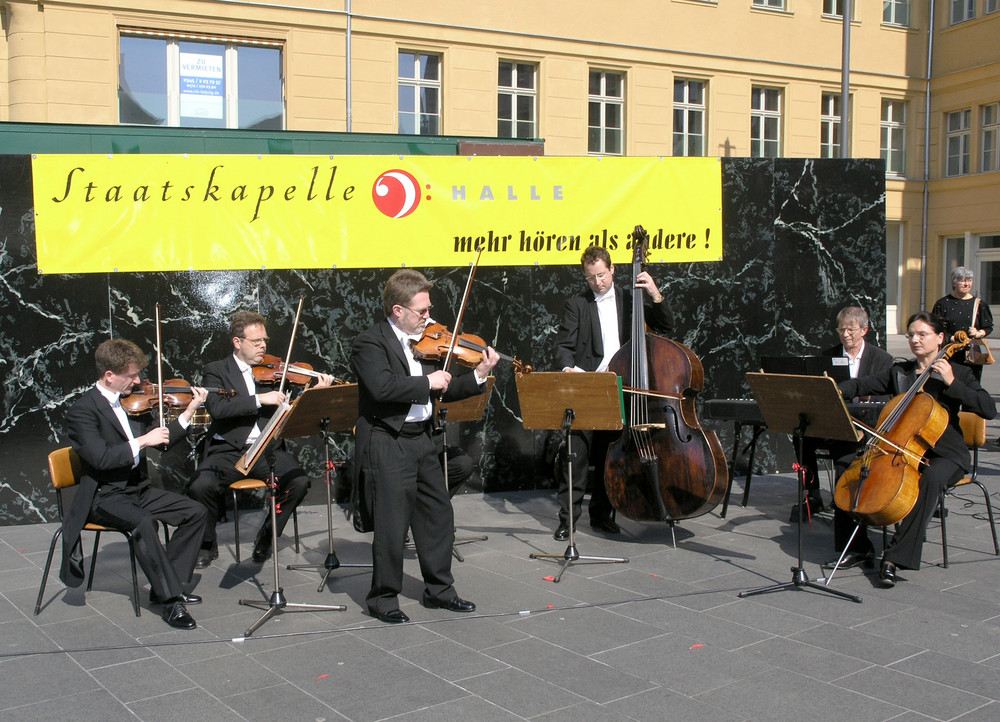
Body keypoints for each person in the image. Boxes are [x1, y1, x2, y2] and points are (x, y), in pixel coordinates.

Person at [351, 269, 498, 623]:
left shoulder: (426, 340)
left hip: (424, 439)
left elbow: (444, 389)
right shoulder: (369, 343)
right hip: (389, 441)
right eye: (421, 311)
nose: (429, 317)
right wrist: (425, 381)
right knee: (391, 524)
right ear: (397, 310)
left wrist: (478, 376)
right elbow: (382, 388)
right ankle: (383, 597)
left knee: (437, 516)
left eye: (429, 309)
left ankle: (439, 591)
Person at [829, 311, 996, 586]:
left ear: (940, 338)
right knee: (847, 464)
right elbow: (862, 384)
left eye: (922, 334)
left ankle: (896, 557)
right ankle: (858, 549)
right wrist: (835, 388)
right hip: (900, 450)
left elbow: (987, 409)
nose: (915, 340)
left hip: (945, 454)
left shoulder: (959, 372)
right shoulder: (901, 372)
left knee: (930, 479)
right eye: (911, 335)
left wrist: (952, 382)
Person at [62, 339, 210, 630]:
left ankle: (169, 584)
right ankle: (170, 602)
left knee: (196, 512)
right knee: (144, 522)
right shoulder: (82, 412)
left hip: (136, 489)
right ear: (109, 376)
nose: (139, 381)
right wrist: (142, 440)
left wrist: (190, 410)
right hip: (104, 495)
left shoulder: (134, 404)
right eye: (131, 375)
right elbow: (101, 458)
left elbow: (163, 442)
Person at [187, 311, 335, 567]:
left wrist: (314, 392)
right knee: (200, 486)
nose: (263, 346)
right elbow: (218, 408)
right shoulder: (217, 371)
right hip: (228, 450)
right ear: (237, 342)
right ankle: (207, 543)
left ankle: (267, 536)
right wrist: (258, 399)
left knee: (298, 483)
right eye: (256, 342)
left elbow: (293, 411)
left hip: (266, 449)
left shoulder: (275, 372)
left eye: (264, 340)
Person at [551, 245, 674, 541]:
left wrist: (655, 294)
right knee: (576, 455)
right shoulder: (576, 305)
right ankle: (568, 520)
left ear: (613, 269)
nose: (598, 282)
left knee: (611, 456)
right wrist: (568, 368)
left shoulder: (632, 299)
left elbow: (666, 327)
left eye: (602, 275)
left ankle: (602, 516)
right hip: (588, 386)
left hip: (621, 387)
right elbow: (563, 347)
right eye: (591, 278)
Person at [793, 306, 895, 522]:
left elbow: (888, 397)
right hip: (834, 421)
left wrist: (868, 397)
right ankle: (812, 495)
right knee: (802, 436)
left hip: (863, 424)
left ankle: (848, 498)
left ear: (864, 330)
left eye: (851, 330)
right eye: (841, 330)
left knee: (847, 449)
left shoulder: (882, 359)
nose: (845, 335)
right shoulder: (828, 356)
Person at [932, 266, 993, 382]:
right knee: (948, 383)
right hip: (950, 353)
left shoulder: (980, 304)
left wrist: (979, 333)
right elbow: (935, 328)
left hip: (972, 354)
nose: (966, 284)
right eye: (962, 280)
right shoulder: (943, 304)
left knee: (972, 384)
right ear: (953, 283)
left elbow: (988, 327)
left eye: (969, 280)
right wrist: (951, 338)